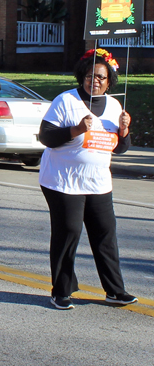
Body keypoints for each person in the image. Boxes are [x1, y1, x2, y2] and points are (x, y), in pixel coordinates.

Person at [38, 48, 137, 310]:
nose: (94, 80)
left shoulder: (114, 105)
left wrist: (124, 131)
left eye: (101, 77)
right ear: (82, 75)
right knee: (69, 231)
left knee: (105, 234)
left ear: (109, 81)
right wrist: (77, 129)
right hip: (62, 181)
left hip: (98, 182)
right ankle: (61, 290)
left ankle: (115, 290)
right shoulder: (66, 101)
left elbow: (119, 147)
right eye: (90, 75)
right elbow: (47, 137)